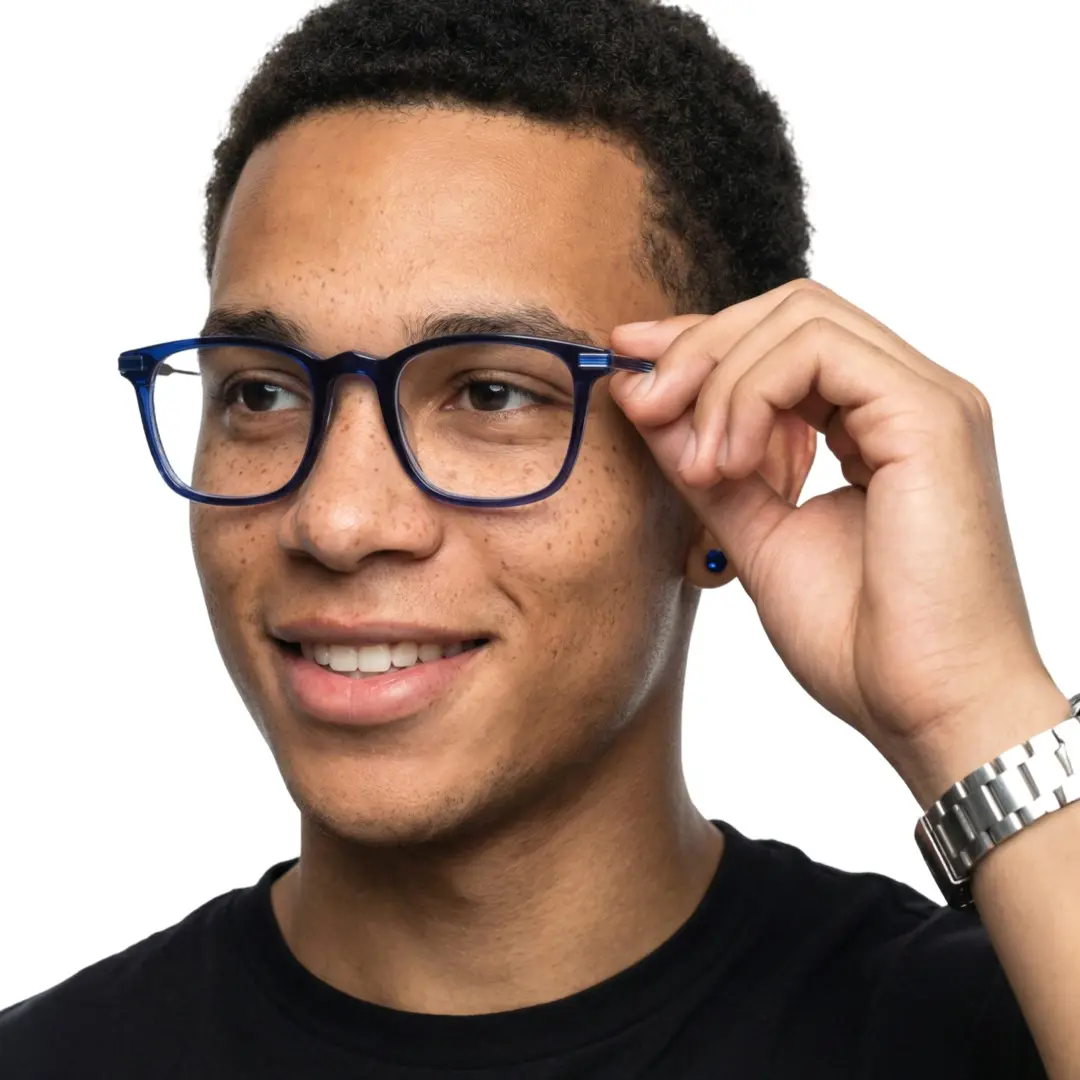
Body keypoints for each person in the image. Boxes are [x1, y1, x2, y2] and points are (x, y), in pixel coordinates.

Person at [2, 0, 1077, 1076]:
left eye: (488, 392)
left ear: (723, 472)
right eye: (265, 393)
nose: (335, 519)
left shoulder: (1004, 1022)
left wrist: (972, 706)